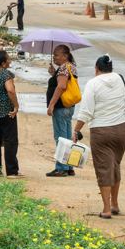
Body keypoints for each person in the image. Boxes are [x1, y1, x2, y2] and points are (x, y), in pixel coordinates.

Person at [73, 55, 125, 218]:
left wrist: (76, 130)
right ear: (111, 68)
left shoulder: (93, 83)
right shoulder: (119, 79)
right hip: (121, 129)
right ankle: (115, 204)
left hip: (101, 131)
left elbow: (86, 112)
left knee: (104, 168)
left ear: (96, 68)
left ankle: (106, 209)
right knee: (115, 165)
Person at [46, 44, 79, 177]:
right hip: (69, 107)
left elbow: (61, 86)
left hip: (61, 107)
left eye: (56, 55)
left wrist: (51, 104)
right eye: (54, 55)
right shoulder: (71, 66)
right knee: (67, 138)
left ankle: (61, 168)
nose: (54, 57)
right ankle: (69, 167)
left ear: (65, 56)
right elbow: (63, 82)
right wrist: (54, 73)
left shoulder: (64, 68)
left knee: (60, 138)